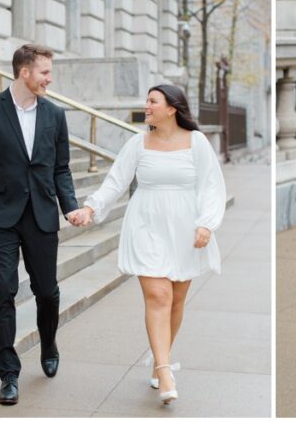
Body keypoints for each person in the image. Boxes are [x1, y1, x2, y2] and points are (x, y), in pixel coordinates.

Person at [68, 84, 226, 406]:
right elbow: (115, 181)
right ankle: (165, 370)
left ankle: (158, 359)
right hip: (146, 225)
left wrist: (206, 224)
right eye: (147, 101)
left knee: (177, 300)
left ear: (172, 108)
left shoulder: (196, 142)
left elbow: (212, 185)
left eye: (153, 101)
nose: (146, 106)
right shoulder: (137, 143)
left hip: (185, 229)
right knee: (158, 294)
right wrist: (90, 208)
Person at [0, 44, 81, 406]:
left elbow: (61, 168)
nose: (49, 78)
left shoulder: (55, 115)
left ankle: (48, 341)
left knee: (47, 291)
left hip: (42, 214)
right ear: (24, 72)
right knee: (3, 288)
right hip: (2, 215)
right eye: (44, 71)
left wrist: (69, 207)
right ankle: (8, 374)